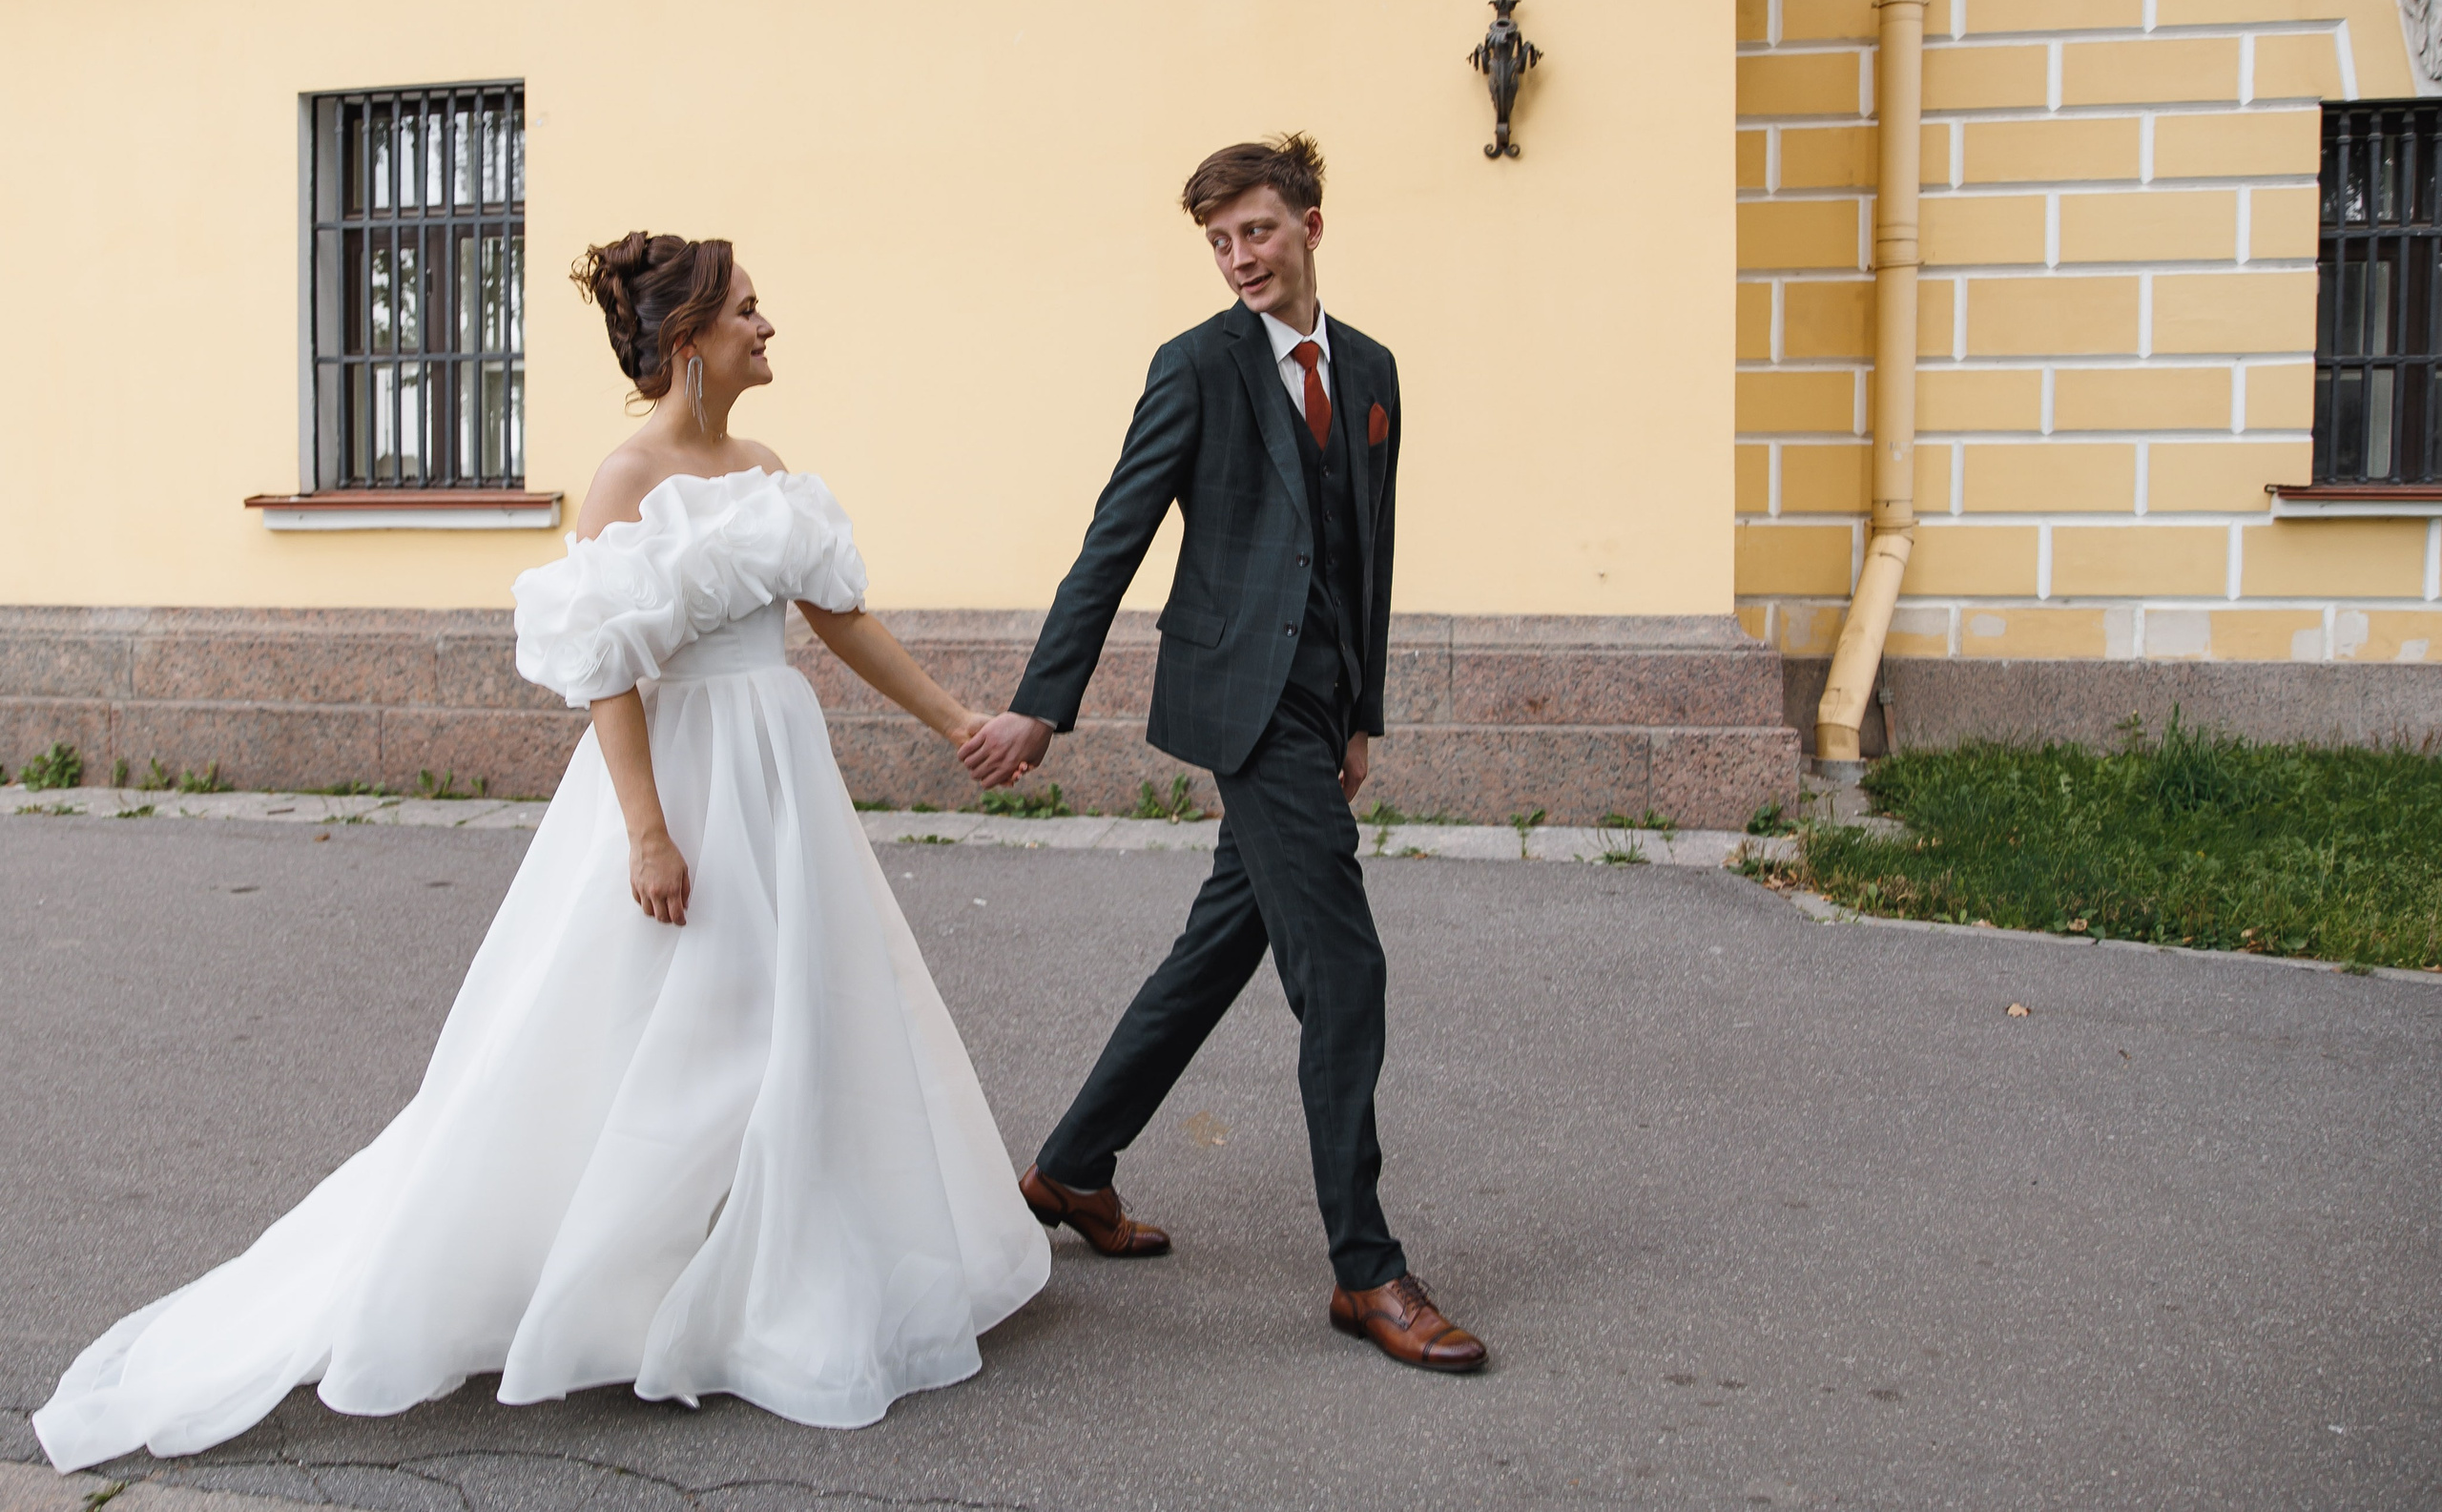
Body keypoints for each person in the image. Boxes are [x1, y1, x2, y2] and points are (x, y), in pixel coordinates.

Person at [32, 233, 1049, 1473]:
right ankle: (627, 1286)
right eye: (747, 310)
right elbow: (606, 670)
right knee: (681, 1032)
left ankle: (775, 1271)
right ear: (690, 345)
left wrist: (958, 726)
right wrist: (648, 834)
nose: (768, 326)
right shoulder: (625, 482)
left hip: (781, 774)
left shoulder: (770, 467)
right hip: (682, 777)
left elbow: (841, 622)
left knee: (800, 1020)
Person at [959, 135, 1486, 1372]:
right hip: (1241, 702)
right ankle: (1367, 1273)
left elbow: (1367, 550)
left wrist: (1362, 713)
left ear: (1309, 221)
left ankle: (1073, 1167)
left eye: (1256, 230)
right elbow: (1116, 533)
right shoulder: (1194, 368)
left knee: (1217, 949)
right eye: (1219, 240)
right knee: (1343, 971)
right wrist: (1046, 702)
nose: (1239, 257)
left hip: (1316, 708)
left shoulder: (1370, 370)